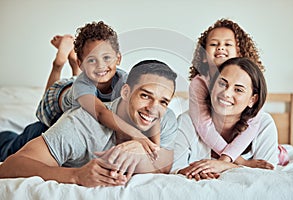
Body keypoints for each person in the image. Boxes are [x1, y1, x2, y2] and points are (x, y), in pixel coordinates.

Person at [0, 59, 178, 187]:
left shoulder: (165, 118)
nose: (153, 109)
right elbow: (9, 167)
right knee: (8, 145)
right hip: (38, 132)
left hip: (59, 134)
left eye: (163, 101)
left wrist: (143, 153)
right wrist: (76, 175)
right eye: (145, 95)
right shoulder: (82, 122)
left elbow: (165, 165)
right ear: (125, 92)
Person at [0, 21, 160, 161]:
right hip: (57, 103)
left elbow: (149, 107)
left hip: (84, 93)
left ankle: (73, 64)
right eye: (92, 60)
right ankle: (59, 63)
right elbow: (100, 113)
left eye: (106, 58)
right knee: (9, 149)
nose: (101, 65)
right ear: (83, 62)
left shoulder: (125, 80)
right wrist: (135, 134)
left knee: (85, 84)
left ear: (118, 58)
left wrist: (154, 147)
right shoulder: (81, 86)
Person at [188, 18, 288, 166]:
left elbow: (253, 124)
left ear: (239, 52)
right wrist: (240, 162)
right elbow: (204, 125)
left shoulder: (253, 81)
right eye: (214, 44)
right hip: (221, 144)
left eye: (227, 44)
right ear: (203, 55)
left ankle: (279, 152)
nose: (220, 48)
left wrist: (226, 160)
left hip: (239, 144)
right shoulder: (199, 83)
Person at [172, 57, 279, 181]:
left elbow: (267, 176)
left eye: (238, 90)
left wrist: (224, 166)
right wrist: (194, 172)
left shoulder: (264, 124)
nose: (226, 93)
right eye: (222, 84)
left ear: (252, 99)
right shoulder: (186, 121)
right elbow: (176, 168)